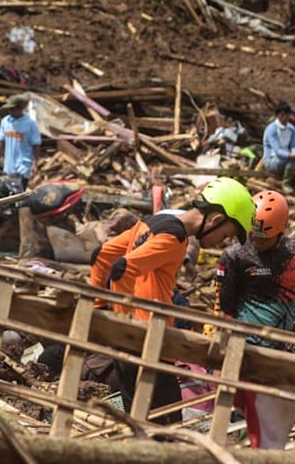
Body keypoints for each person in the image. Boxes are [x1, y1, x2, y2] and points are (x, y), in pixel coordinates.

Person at [86, 177, 255, 422]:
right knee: (167, 428)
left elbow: (100, 256)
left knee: (139, 424)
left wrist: (104, 311)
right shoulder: (174, 238)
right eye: (226, 234)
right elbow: (122, 269)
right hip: (149, 346)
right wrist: (123, 325)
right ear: (216, 219)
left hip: (130, 345)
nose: (223, 242)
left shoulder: (154, 222)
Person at [215, 190, 295, 449]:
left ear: (280, 230)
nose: (256, 241)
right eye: (253, 235)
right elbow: (224, 307)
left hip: (285, 351)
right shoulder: (234, 257)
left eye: (263, 238)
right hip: (247, 351)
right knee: (244, 424)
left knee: (280, 421)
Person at [262, 101, 295, 195]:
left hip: (286, 158)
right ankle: (286, 184)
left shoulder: (291, 129)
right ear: (277, 115)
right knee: (293, 160)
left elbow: (294, 145)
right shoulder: (271, 129)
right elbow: (277, 150)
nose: (285, 117)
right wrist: (291, 155)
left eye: (287, 115)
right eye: (282, 115)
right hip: (272, 160)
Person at [0, 94, 42, 187]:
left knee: (19, 194)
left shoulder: (30, 124)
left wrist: (35, 164)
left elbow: (36, 145)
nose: (10, 111)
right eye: (9, 109)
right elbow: (1, 142)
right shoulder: (5, 122)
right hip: (8, 167)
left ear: (20, 108)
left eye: (12, 109)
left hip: (23, 167)